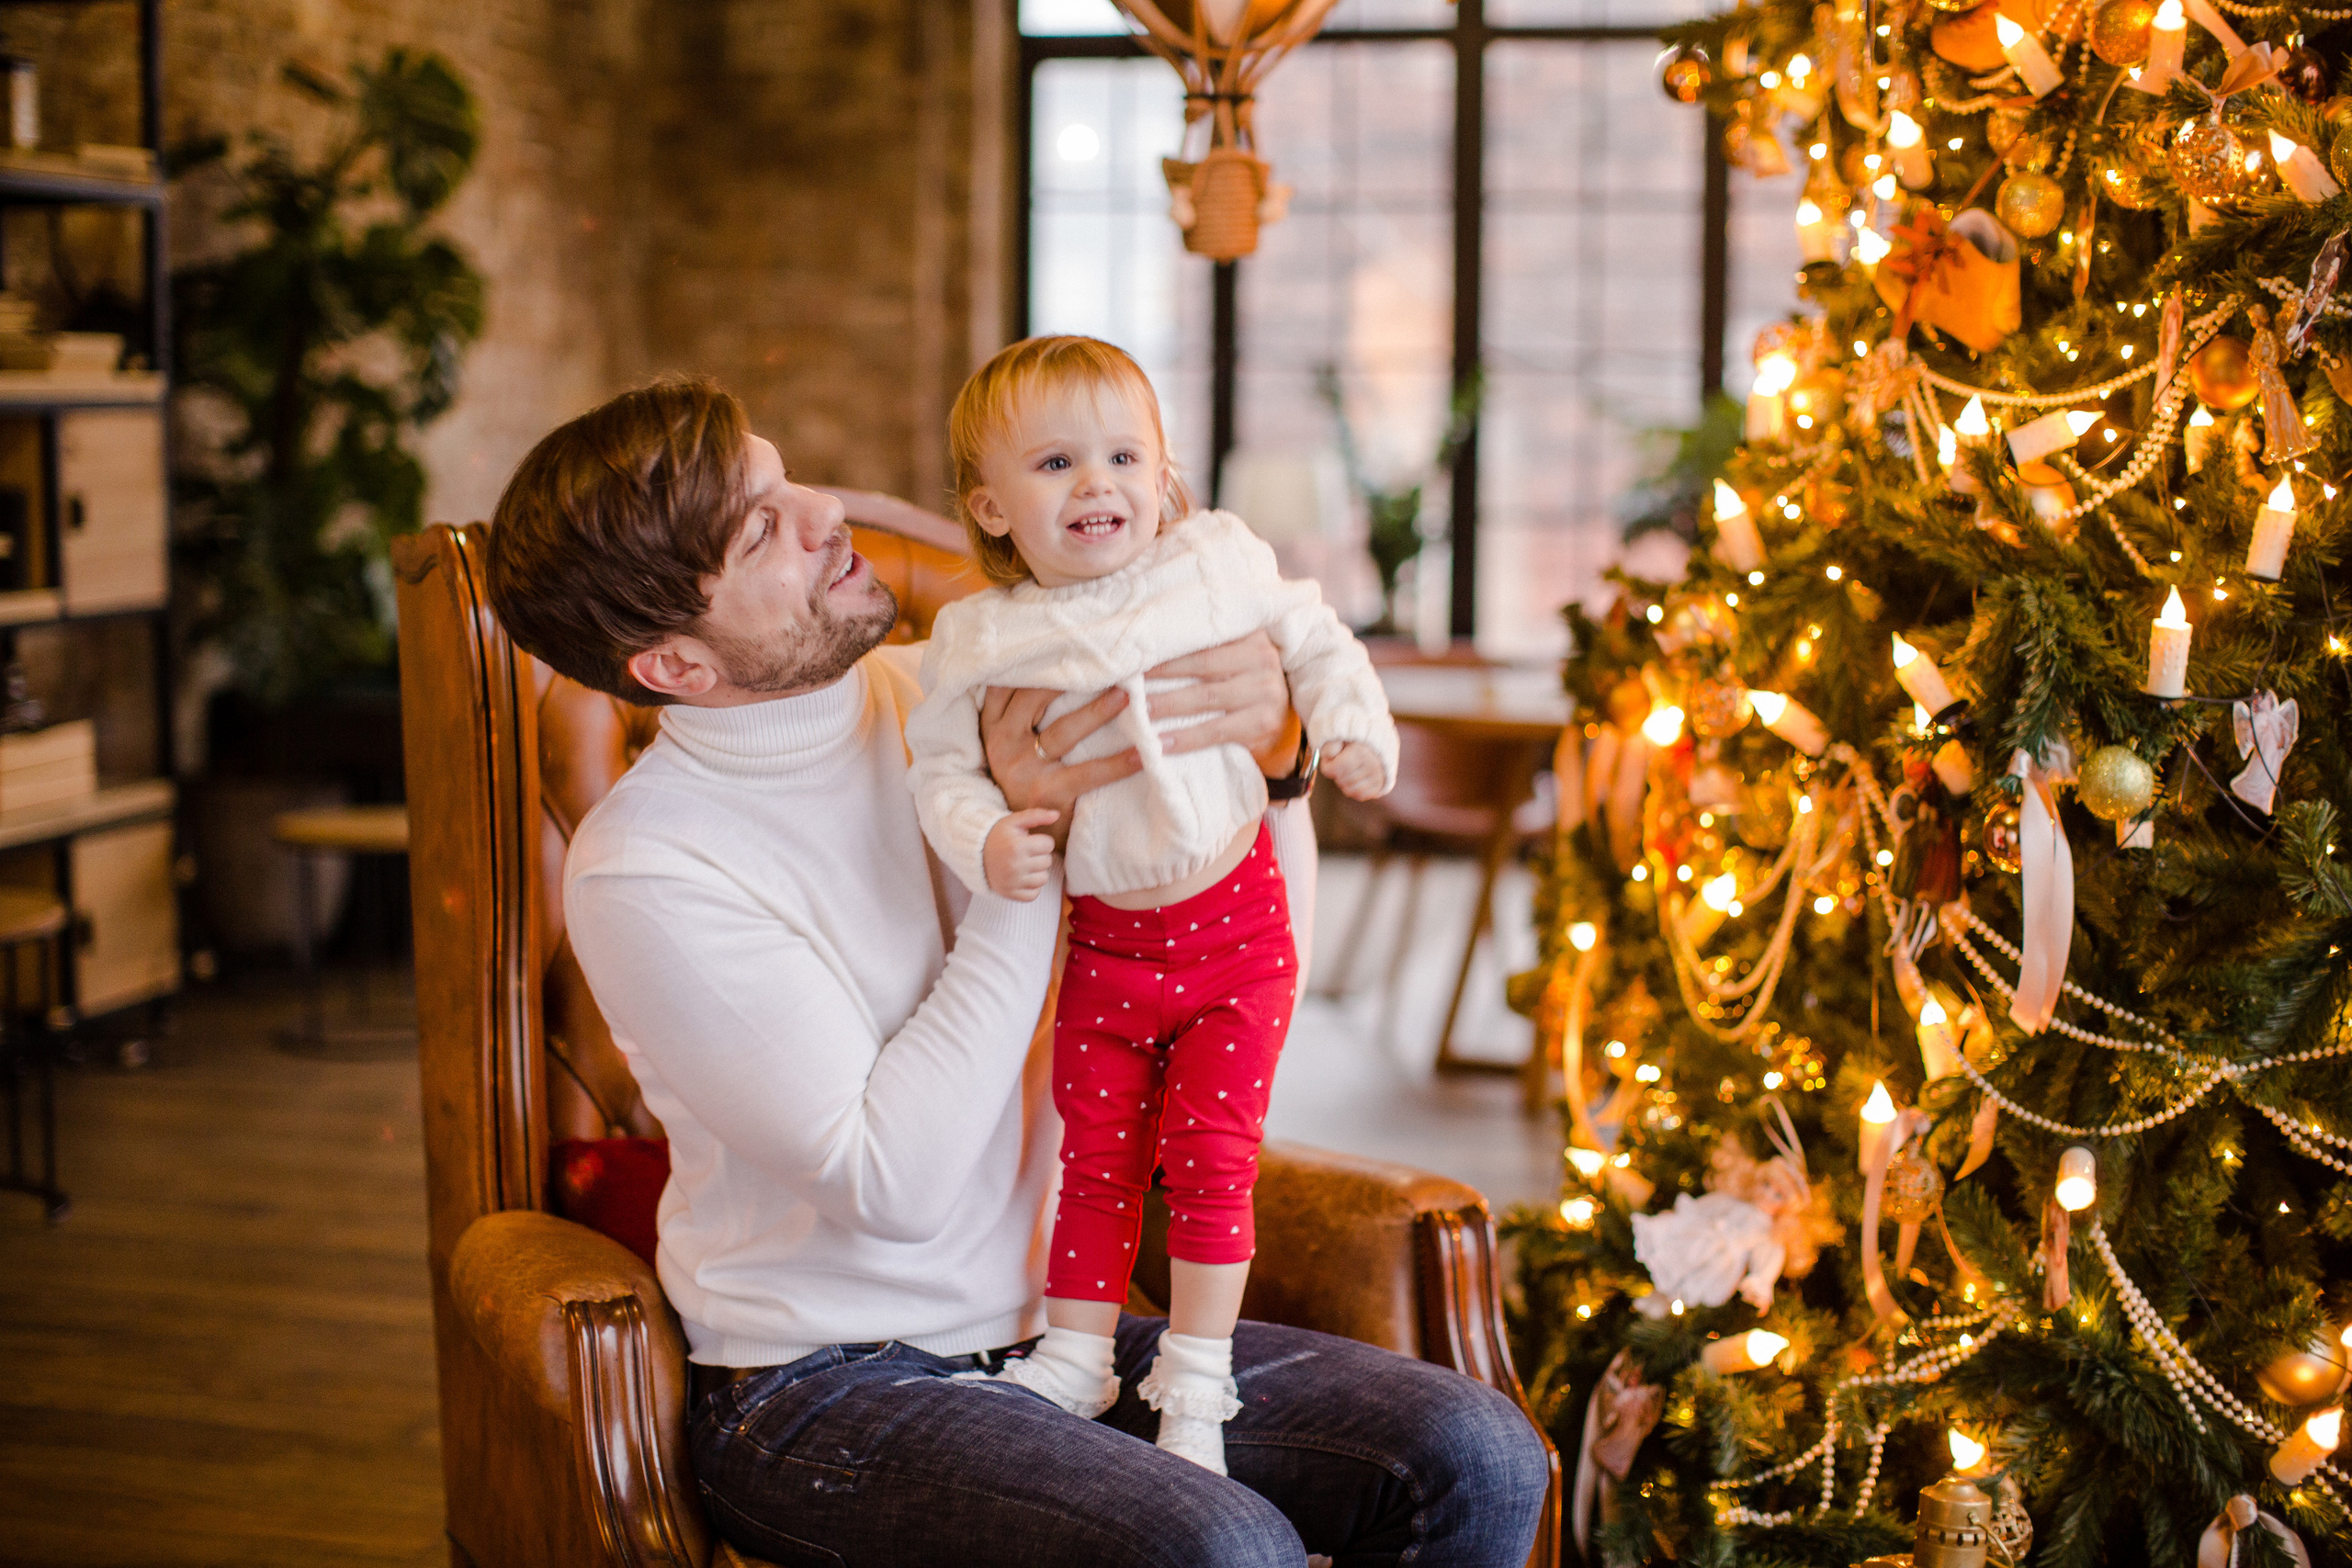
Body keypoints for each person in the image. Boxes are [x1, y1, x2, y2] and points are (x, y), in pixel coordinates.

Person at [482, 375, 1548, 1567]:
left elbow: (1243, 970)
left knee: (1475, 1452)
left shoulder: (967, 691)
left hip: (1062, 1330)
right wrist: (1019, 853)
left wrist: (1275, 767)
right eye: (761, 528)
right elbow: (895, 1185)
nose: (826, 512)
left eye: (789, 480)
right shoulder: (649, 867)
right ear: (675, 665)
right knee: (1217, 1548)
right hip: (824, 1385)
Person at [905, 336, 1397, 1474]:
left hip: (1236, 933)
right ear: (991, 508)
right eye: (1057, 463)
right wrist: (986, 836)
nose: (1098, 483)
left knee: (1211, 1161)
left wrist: (1350, 730)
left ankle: (1198, 1381)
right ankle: (1078, 1353)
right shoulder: (981, 638)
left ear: (1164, 472)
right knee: (1097, 1158)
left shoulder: (1214, 561)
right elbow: (942, 769)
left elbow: (1316, 639)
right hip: (1111, 947)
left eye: (1123, 456)